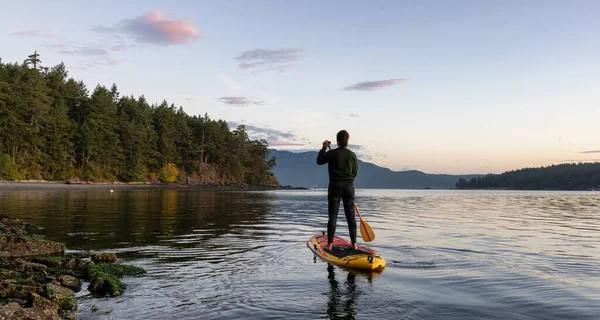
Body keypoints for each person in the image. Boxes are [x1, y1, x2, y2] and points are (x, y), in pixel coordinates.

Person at [316, 130, 359, 250]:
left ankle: (329, 244)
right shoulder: (352, 155)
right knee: (350, 216)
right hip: (349, 186)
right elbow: (354, 172)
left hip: (335, 185)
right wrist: (348, 181)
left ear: (337, 141)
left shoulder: (332, 153)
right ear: (347, 141)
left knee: (333, 216)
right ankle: (354, 244)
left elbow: (319, 161)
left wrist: (323, 148)